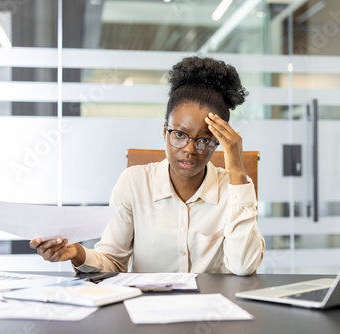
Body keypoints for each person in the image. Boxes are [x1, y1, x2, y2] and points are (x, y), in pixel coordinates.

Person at [30, 56, 265, 275]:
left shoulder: (235, 189)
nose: (190, 149)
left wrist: (236, 170)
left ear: (218, 142)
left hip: (215, 309)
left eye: (204, 140)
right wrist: (78, 253)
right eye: (180, 134)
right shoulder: (134, 182)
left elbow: (243, 266)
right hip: (146, 309)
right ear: (165, 131)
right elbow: (113, 262)